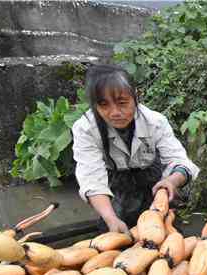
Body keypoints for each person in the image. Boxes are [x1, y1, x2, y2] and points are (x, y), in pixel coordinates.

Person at [72, 64, 199, 233]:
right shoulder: (85, 129)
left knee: (164, 230)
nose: (115, 112)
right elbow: (92, 178)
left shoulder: (155, 122)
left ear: (136, 97)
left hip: (151, 178)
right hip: (114, 181)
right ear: (95, 105)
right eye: (104, 105)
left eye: (122, 103)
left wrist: (170, 181)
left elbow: (180, 161)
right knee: (114, 230)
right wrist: (111, 219)